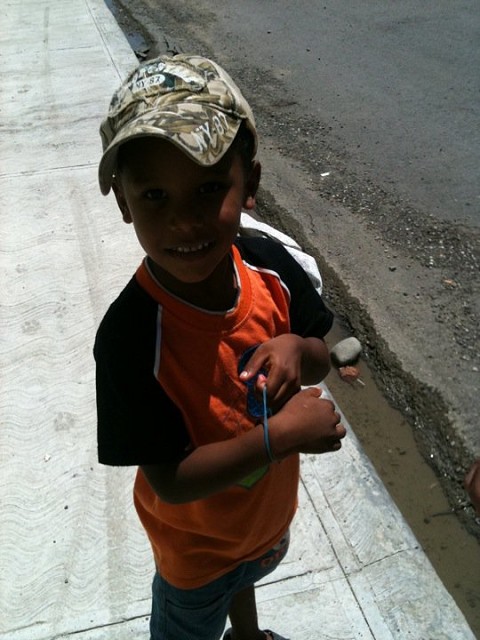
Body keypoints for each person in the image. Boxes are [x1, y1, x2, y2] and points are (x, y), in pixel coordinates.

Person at [94, 54, 346, 640]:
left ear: (249, 185)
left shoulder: (270, 268)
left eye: (208, 188)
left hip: (260, 524)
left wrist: (296, 348)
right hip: (196, 552)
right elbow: (170, 479)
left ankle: (247, 635)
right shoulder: (131, 336)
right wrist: (279, 437)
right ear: (124, 203)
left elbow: (321, 355)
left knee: (245, 579)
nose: (184, 221)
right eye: (155, 195)